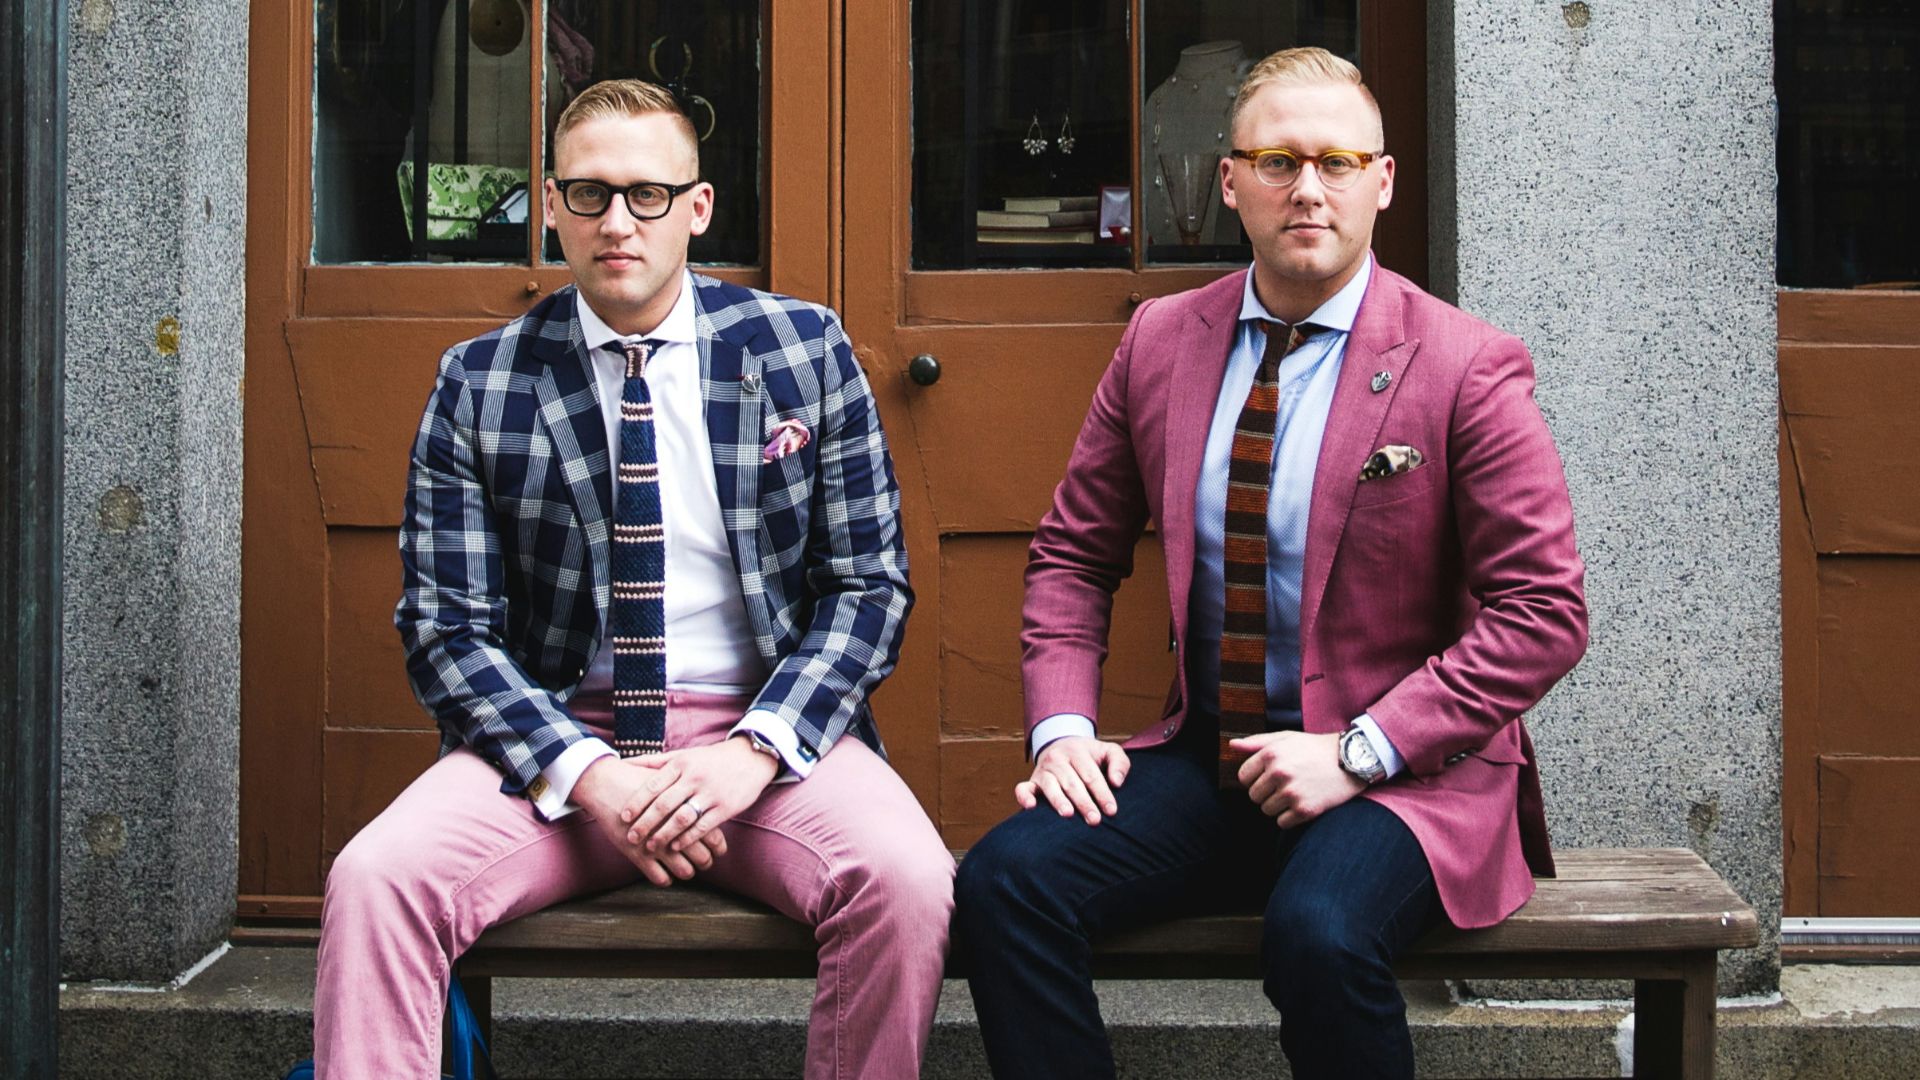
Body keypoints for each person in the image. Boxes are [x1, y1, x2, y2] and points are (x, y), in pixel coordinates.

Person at [954, 47, 1588, 1080]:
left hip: (1407, 780)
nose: (1308, 187)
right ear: (1229, 181)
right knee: (1003, 884)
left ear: (1383, 182)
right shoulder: (1162, 340)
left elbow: (1543, 612)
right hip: (1217, 760)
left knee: (1321, 932)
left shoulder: (1467, 364)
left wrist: (1358, 753)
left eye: (1339, 162)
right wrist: (1062, 731)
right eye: (1279, 159)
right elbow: (1074, 554)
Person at [314, 79, 952, 1080]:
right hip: (557, 751)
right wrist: (587, 773)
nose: (619, 221)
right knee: (377, 879)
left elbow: (868, 590)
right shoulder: (479, 382)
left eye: (648, 194)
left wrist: (753, 751)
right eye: (591, 194)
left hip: (759, 744)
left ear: (697, 208)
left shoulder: (804, 351)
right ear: (555, 206)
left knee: (910, 880)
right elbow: (449, 632)